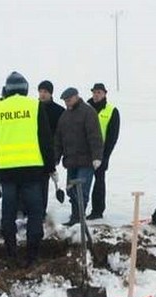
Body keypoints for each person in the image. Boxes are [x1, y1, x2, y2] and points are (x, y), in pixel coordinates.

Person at [0, 71, 55, 268]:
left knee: (8, 213)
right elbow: (45, 139)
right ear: (25, 89)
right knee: (35, 212)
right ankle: (32, 255)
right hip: (32, 170)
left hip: (6, 171)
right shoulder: (35, 106)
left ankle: (11, 254)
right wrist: (51, 167)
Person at [54, 87, 103, 227]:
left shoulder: (88, 112)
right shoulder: (64, 116)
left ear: (76, 97)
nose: (67, 103)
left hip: (86, 161)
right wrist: (56, 157)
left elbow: (95, 136)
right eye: (65, 101)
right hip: (71, 161)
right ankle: (75, 215)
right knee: (71, 190)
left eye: (69, 100)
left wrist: (97, 156)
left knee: (82, 191)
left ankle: (78, 217)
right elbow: (58, 139)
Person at [86, 83, 120, 220]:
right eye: (94, 92)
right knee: (81, 182)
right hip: (84, 151)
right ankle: (78, 210)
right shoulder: (85, 108)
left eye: (99, 92)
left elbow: (113, 136)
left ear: (105, 94)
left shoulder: (112, 111)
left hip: (101, 152)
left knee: (99, 182)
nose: (96, 94)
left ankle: (97, 210)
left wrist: (105, 156)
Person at [38, 80, 65, 218]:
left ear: (51, 93)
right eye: (41, 91)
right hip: (32, 151)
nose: (42, 94)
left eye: (45, 92)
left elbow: (62, 134)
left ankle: (41, 210)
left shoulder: (59, 111)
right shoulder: (33, 108)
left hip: (50, 151)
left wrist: (58, 153)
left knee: (43, 182)